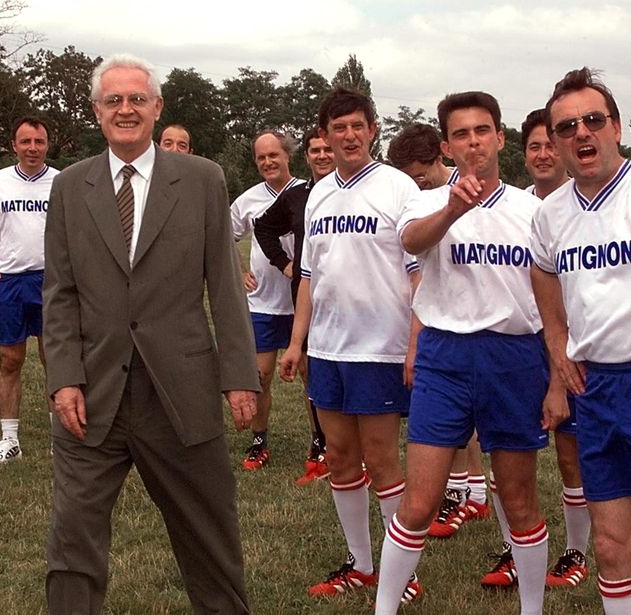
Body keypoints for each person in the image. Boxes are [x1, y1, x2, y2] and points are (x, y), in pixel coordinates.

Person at [42, 53, 259, 614]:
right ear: (97, 112)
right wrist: (63, 377)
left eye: (137, 99)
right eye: (113, 100)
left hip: (181, 392)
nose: (126, 109)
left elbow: (224, 285)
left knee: (210, 536)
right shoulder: (69, 186)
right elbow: (60, 292)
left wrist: (239, 376)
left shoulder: (203, 178)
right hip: (91, 396)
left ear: (157, 108)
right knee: (72, 542)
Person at [375, 91, 564, 615]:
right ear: (446, 146)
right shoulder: (427, 200)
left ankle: (532, 607)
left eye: (482, 131)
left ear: (500, 138)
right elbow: (412, 242)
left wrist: (553, 375)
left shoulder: (533, 211)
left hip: (514, 358)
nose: (473, 142)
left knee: (520, 497)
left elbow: (552, 299)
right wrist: (455, 207)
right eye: (461, 134)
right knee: (419, 502)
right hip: (445, 357)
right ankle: (384, 607)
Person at [531, 67, 631, 615]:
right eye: (567, 126)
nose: (582, 132)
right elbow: (545, 271)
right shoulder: (550, 213)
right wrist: (557, 339)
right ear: (554, 142)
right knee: (612, 546)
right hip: (598, 389)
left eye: (593, 120)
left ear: (617, 126)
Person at [279, 87, 422, 602]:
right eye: (338, 128)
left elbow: (417, 273)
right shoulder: (318, 193)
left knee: (382, 460)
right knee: (339, 456)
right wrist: (297, 343)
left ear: (372, 129)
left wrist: (413, 343)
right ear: (325, 136)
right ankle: (361, 565)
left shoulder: (397, 186)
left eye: (358, 125)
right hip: (328, 349)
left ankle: (400, 574)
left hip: (378, 349)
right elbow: (310, 276)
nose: (349, 135)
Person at [388, 123, 491, 538]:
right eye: (408, 176)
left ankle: (475, 494)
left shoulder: (482, 193)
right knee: (457, 421)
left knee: (479, 426)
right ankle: (467, 493)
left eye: (420, 173)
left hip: (481, 327)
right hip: (445, 327)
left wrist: (414, 344)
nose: (416, 182)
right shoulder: (425, 202)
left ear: (439, 158)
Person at [521, 108, 591, 588]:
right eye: (534, 146)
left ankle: (576, 551)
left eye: (551, 143)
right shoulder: (513, 205)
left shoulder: (582, 206)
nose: (544, 153)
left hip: (569, 348)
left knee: (571, 454)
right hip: (518, 348)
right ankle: (519, 544)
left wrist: (557, 377)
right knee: (513, 457)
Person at [253, 127, 334, 484]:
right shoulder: (297, 195)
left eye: (327, 149)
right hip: (304, 294)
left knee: (332, 373)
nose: (321, 155)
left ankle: (339, 446)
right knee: (307, 370)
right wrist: (284, 263)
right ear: (307, 156)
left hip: (343, 300)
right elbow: (263, 228)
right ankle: (320, 443)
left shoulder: (357, 192)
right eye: (315, 150)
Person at [0, 116, 59, 465]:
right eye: (25, 141)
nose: (32, 148)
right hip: (10, 281)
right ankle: (10, 439)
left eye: (38, 142)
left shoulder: (62, 182)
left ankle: (62, 439)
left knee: (54, 358)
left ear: (46, 145)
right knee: (10, 360)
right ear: (14, 145)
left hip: (53, 282)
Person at [231, 130, 304, 470]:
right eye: (261, 157)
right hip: (261, 304)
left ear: (287, 155)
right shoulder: (248, 200)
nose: (268, 162)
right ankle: (260, 442)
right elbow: (221, 238)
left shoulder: (309, 192)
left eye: (273, 155)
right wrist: (238, 270)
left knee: (310, 375)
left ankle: (321, 444)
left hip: (301, 304)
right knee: (260, 376)